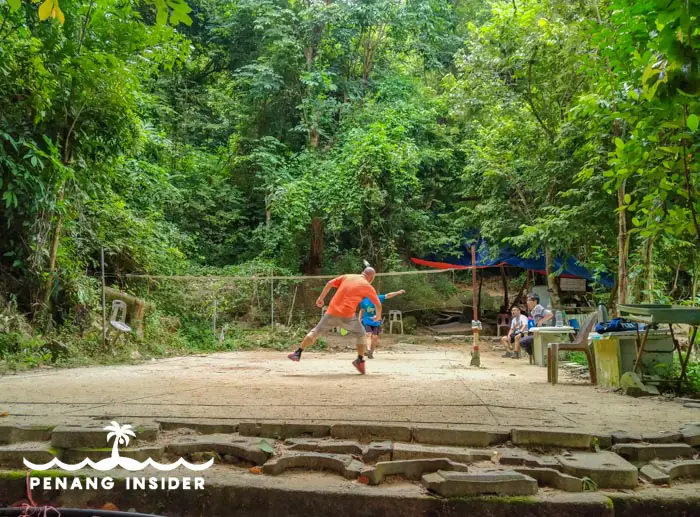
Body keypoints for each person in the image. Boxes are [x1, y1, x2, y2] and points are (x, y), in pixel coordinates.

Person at [287, 267, 381, 374]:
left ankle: (298, 352)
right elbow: (378, 304)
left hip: (331, 312)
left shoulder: (347, 276)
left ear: (362, 273)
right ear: (371, 277)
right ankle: (359, 360)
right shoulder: (368, 286)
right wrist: (377, 317)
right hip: (348, 316)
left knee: (316, 331)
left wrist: (320, 298)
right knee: (361, 334)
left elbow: (329, 283)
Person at [358, 289, 406, 359]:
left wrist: (398, 292)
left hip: (376, 321)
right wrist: (359, 318)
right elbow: (362, 310)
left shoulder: (379, 298)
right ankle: (368, 350)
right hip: (367, 320)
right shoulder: (363, 301)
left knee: (375, 337)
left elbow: (389, 295)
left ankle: (371, 352)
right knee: (368, 334)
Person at [514, 293, 553, 359]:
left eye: (529, 300)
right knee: (524, 340)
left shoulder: (538, 307)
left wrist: (541, 321)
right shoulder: (533, 311)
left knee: (522, 341)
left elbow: (550, 314)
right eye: (527, 300)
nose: (527, 302)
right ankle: (534, 354)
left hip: (543, 333)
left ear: (535, 301)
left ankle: (534, 354)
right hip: (538, 332)